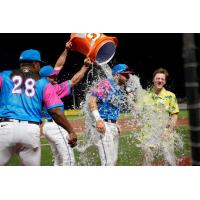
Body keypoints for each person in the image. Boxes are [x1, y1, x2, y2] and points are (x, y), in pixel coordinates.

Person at [0, 49, 77, 166]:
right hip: (30, 131)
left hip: (6, 127)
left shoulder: (4, 75)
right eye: (39, 64)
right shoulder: (43, 83)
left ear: (21, 63)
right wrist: (71, 131)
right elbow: (55, 111)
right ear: (35, 64)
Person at [39, 42, 93, 166]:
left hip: (47, 127)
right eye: (52, 77)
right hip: (56, 126)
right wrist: (85, 66)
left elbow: (58, 65)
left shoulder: (40, 85)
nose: (55, 78)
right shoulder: (52, 89)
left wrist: (66, 50)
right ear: (46, 78)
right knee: (68, 160)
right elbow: (74, 80)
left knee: (58, 161)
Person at [88, 64, 131, 166]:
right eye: (125, 75)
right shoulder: (106, 84)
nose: (128, 77)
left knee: (113, 160)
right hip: (103, 125)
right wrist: (98, 120)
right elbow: (92, 101)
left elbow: (113, 107)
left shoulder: (119, 89)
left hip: (112, 126)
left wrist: (116, 123)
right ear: (116, 75)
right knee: (108, 162)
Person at [135, 68, 179, 165]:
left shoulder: (170, 96)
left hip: (165, 134)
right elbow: (137, 112)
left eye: (162, 79)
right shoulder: (144, 96)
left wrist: (168, 131)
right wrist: (131, 100)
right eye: (157, 78)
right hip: (147, 136)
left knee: (170, 162)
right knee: (146, 163)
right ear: (153, 80)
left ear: (165, 81)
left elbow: (174, 115)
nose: (160, 80)